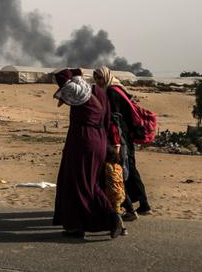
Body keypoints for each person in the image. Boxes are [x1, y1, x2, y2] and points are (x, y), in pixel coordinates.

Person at [52, 68, 123, 239]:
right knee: (88, 184)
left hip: (83, 142)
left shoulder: (80, 97)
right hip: (98, 141)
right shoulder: (99, 92)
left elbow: (62, 77)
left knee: (78, 184)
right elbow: (107, 122)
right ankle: (76, 226)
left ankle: (111, 220)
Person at [93, 66, 152, 220]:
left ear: (106, 76)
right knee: (129, 169)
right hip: (125, 136)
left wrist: (116, 141)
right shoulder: (118, 88)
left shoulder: (112, 92)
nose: (98, 81)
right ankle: (141, 204)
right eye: (96, 78)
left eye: (100, 78)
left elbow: (115, 118)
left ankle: (134, 206)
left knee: (124, 169)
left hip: (121, 137)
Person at [104, 146, 128, 236]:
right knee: (115, 210)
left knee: (116, 212)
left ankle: (122, 228)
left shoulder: (108, 167)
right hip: (121, 192)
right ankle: (113, 227)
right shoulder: (119, 167)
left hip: (113, 193)